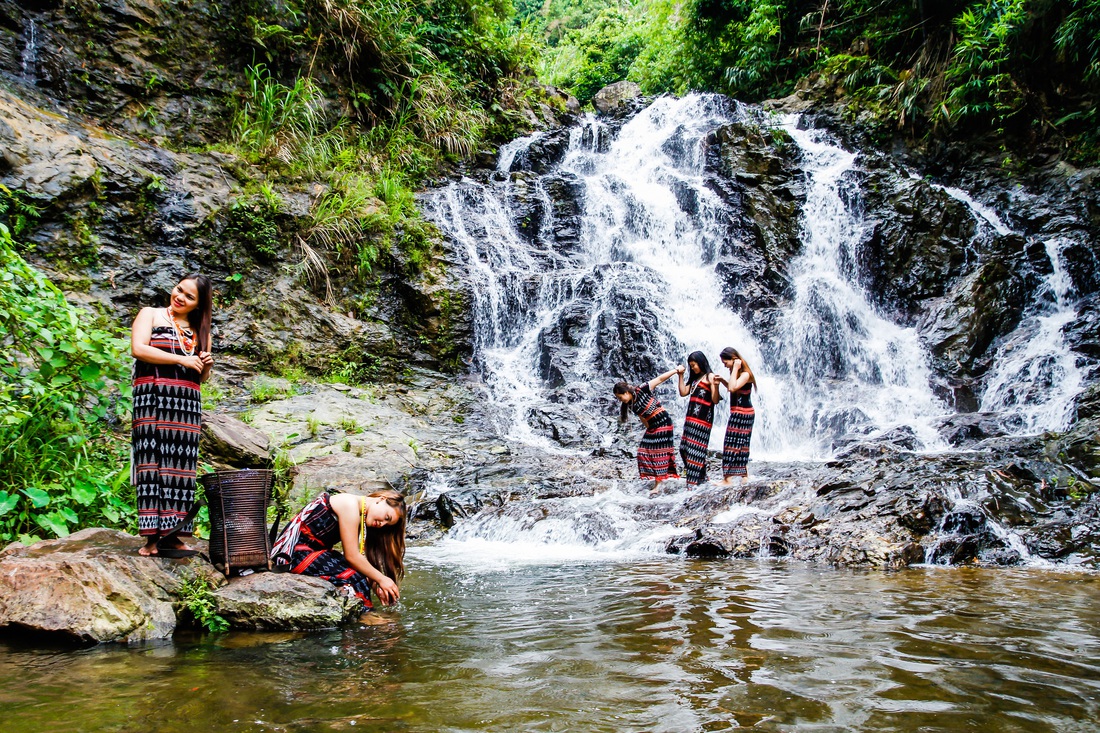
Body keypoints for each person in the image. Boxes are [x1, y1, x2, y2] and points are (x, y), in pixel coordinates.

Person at [131, 275, 213, 557]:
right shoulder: (150, 315)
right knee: (151, 463)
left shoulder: (200, 330)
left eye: (189, 297)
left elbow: (199, 376)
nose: (180, 297)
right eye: (180, 290)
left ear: (198, 305)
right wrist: (181, 358)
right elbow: (138, 349)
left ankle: (174, 535)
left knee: (181, 468)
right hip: (152, 397)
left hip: (186, 402)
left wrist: (206, 365)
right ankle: (152, 538)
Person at [271, 489, 407, 624]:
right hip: (295, 555)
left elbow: (358, 558)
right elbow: (351, 556)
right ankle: (366, 616)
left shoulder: (358, 512)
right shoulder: (349, 504)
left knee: (361, 577)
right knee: (353, 577)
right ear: (381, 499)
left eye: (386, 524)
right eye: (386, 517)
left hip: (311, 551)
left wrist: (375, 585)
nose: (382, 523)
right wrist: (382, 579)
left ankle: (366, 613)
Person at [613, 366, 684, 488]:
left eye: (620, 397)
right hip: (653, 426)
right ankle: (661, 477)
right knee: (642, 451)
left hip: (663, 422)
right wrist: (649, 431)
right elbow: (643, 418)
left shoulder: (642, 389)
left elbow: (660, 378)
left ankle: (658, 484)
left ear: (626, 392)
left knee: (658, 451)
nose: (620, 400)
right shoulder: (631, 405)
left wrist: (676, 371)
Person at [677, 351, 721, 487]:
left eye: (694, 365)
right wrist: (681, 376)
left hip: (702, 421)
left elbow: (715, 399)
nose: (692, 368)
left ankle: (693, 482)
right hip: (690, 420)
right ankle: (702, 479)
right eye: (690, 366)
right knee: (684, 449)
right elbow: (683, 392)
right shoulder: (696, 379)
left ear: (701, 362)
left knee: (695, 450)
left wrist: (716, 385)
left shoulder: (710, 377)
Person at [714, 347, 757, 485]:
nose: (724, 365)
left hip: (742, 413)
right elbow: (734, 388)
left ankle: (727, 479)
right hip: (743, 413)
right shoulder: (740, 374)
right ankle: (744, 476)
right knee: (742, 445)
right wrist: (722, 380)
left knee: (731, 444)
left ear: (734, 359)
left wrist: (736, 368)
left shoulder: (745, 374)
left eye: (725, 362)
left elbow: (733, 388)